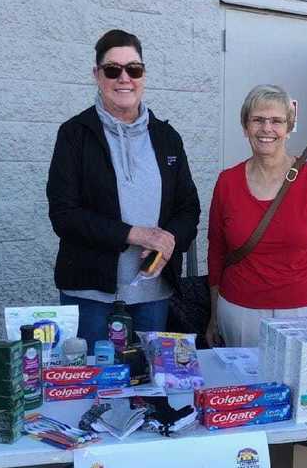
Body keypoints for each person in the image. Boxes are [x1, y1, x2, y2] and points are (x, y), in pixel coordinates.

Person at [47, 29, 200, 351]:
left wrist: (169, 241)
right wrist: (134, 234)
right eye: (112, 70)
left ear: (143, 75)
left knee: (147, 386)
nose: (124, 79)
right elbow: (64, 215)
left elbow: (188, 209)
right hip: (89, 295)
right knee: (92, 389)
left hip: (153, 295)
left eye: (134, 69)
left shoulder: (166, 137)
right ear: (97, 75)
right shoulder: (75, 135)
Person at [206, 84, 307, 347]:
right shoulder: (227, 182)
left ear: (289, 129)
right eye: (257, 120)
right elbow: (216, 252)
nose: (267, 128)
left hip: (305, 313)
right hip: (239, 312)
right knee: (245, 386)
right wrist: (213, 314)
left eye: (277, 121)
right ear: (246, 127)